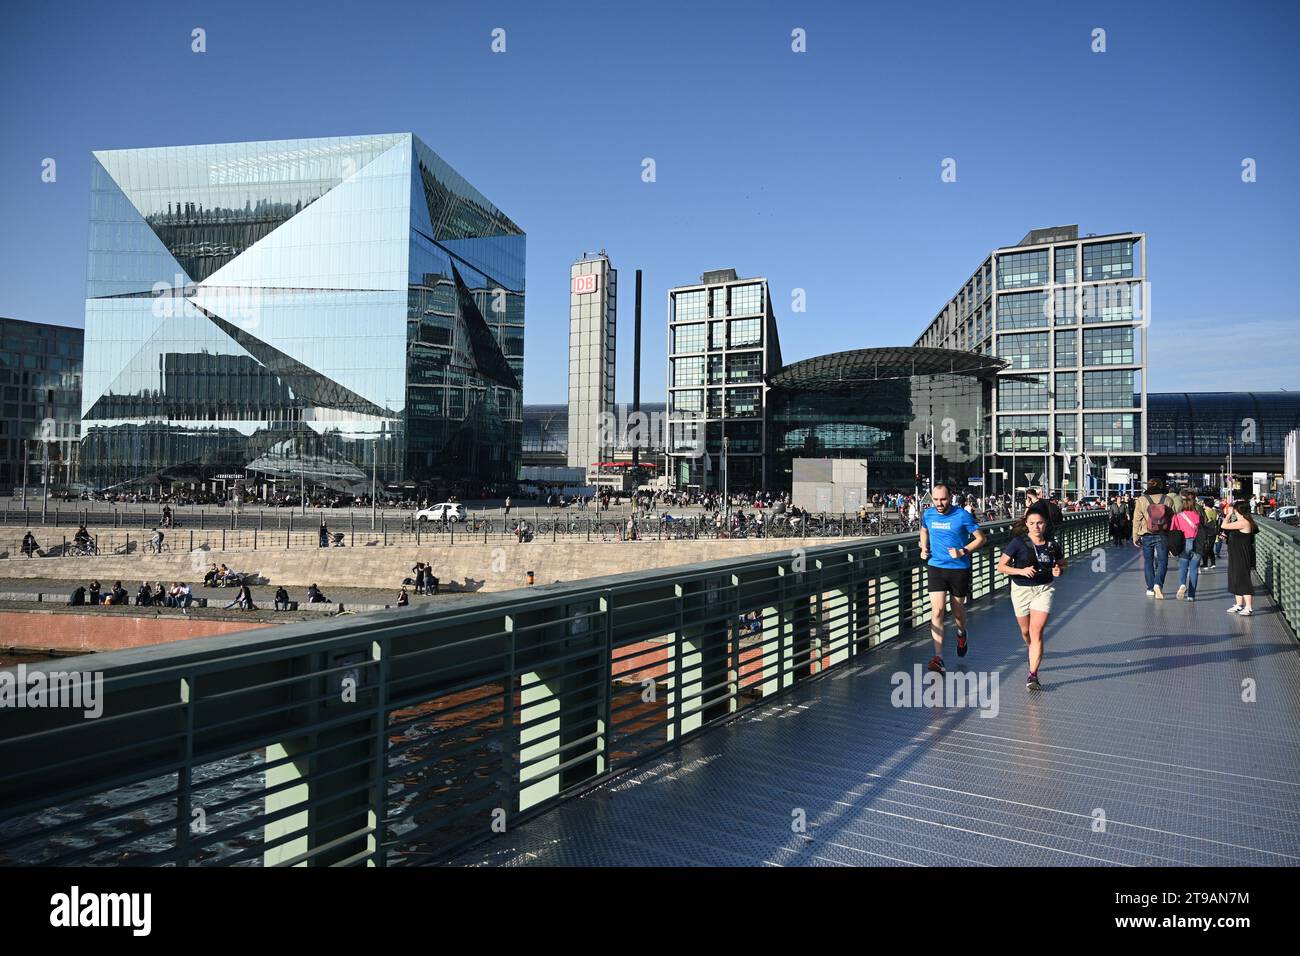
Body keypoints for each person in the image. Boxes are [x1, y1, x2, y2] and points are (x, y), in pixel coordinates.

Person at [918, 484, 986, 675]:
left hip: (959, 568)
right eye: (936, 499)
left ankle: (961, 633)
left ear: (950, 498)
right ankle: (938, 657)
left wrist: (962, 551)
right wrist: (924, 548)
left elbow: (981, 538)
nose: (939, 503)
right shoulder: (928, 515)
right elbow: (924, 530)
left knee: (957, 610)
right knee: (938, 610)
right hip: (936, 566)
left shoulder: (962, 515)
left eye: (943, 499)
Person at [997, 511, 1066, 691]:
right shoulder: (1018, 543)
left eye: (1040, 523)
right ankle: (1031, 650)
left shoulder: (1052, 545)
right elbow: (1001, 566)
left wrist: (1059, 570)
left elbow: (1062, 563)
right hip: (1021, 590)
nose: (1036, 526)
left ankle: (1033, 675)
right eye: (1033, 523)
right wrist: (1021, 571)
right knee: (1026, 631)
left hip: (1044, 589)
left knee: (1037, 630)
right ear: (1026, 524)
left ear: (1045, 525)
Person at [1132, 478, 1177, 599]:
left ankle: (1150, 588)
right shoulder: (1167, 499)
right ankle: (1158, 583)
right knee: (1163, 561)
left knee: (1148, 561)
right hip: (1163, 534)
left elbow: (1136, 519)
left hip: (1147, 534)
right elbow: (1173, 519)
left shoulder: (1142, 500)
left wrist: (1135, 536)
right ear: (1161, 486)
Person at [1222, 500, 1257, 616]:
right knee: (1235, 578)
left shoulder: (1244, 522)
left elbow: (1224, 525)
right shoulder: (1241, 521)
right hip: (1236, 554)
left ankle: (1249, 606)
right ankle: (1238, 604)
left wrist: (1227, 515)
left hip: (1241, 555)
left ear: (1237, 510)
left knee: (1243, 579)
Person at [1170, 490, 1202, 601]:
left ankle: (1182, 585)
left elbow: (1172, 530)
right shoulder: (1198, 516)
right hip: (1197, 544)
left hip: (1183, 543)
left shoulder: (1178, 516)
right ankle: (1191, 595)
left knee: (1183, 567)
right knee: (1193, 569)